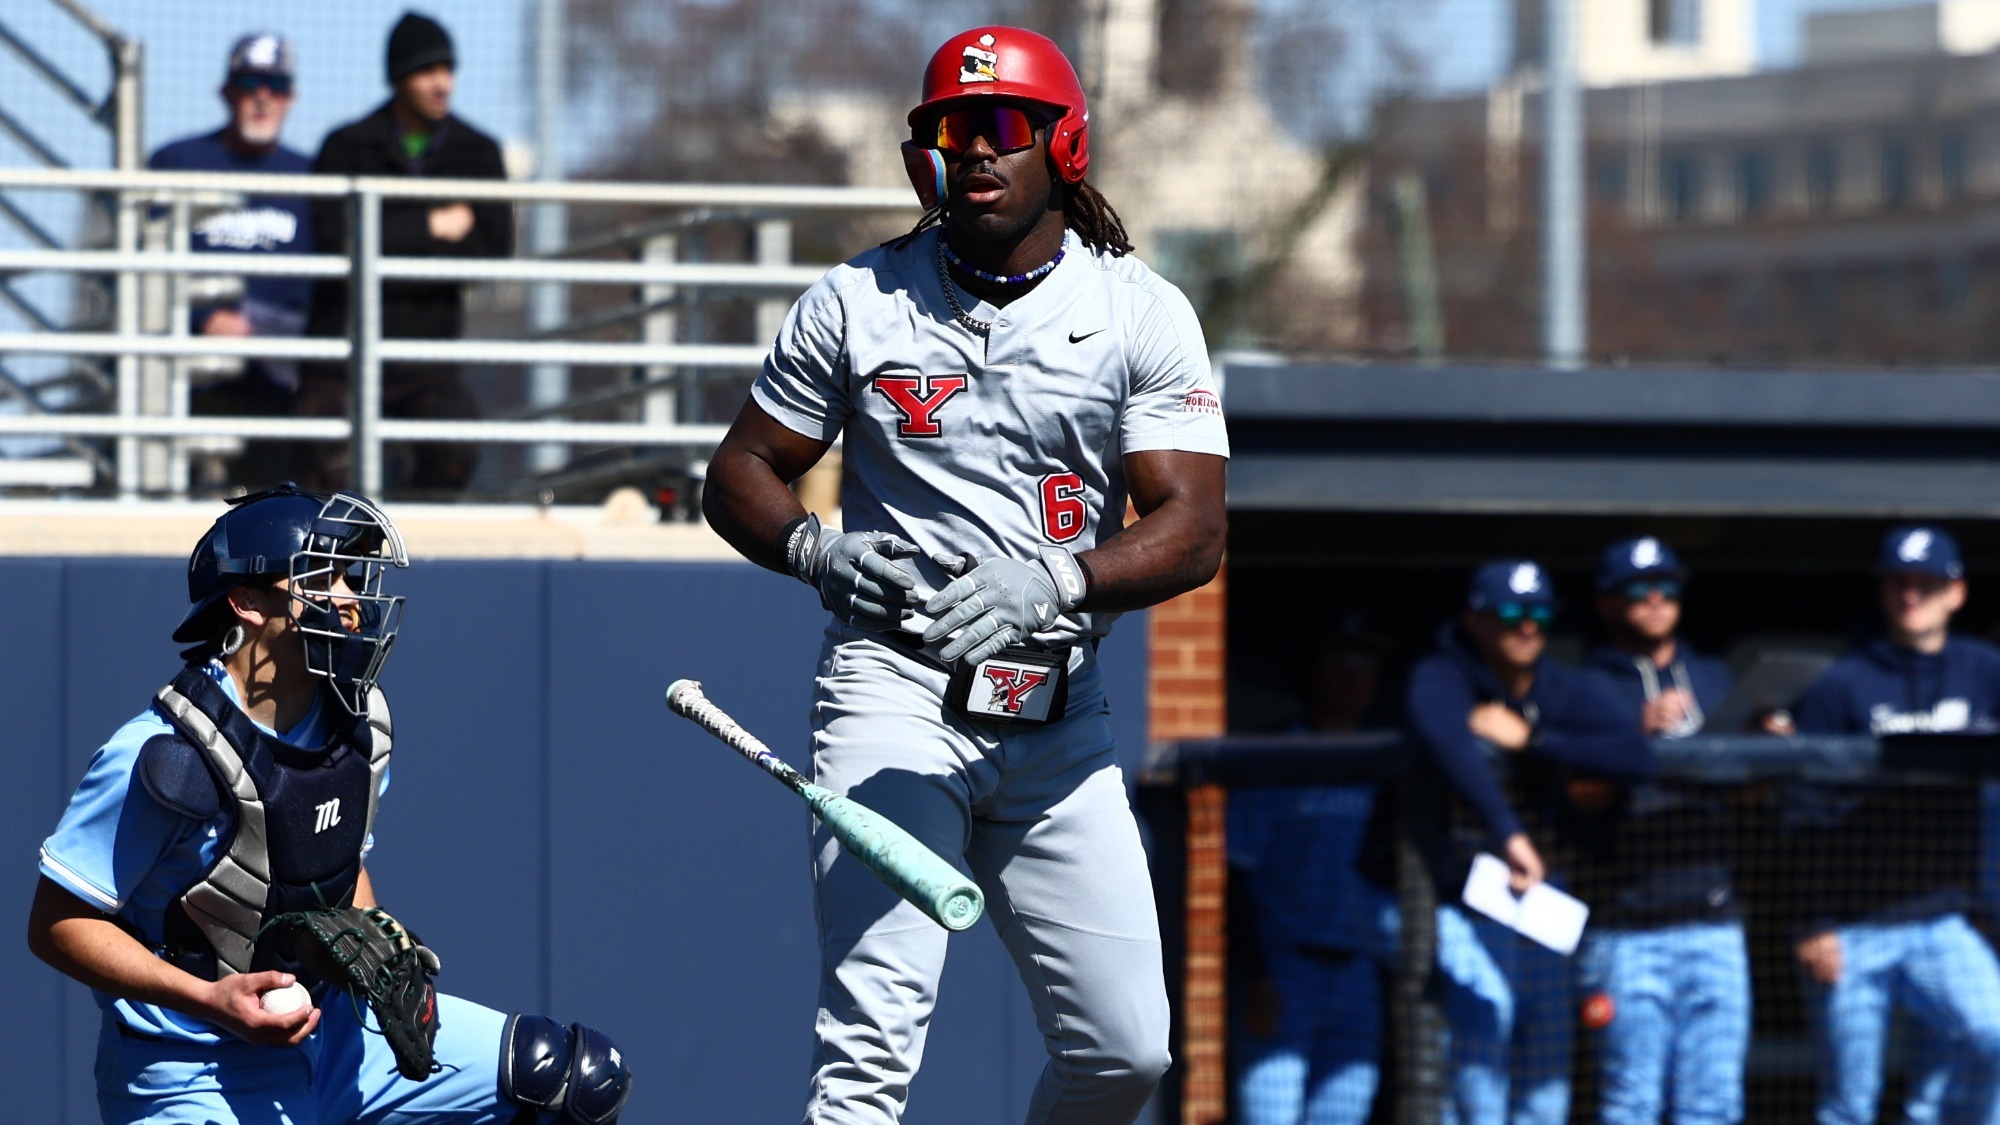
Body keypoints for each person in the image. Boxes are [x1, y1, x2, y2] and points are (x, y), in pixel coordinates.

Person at [701, 26, 1228, 1124]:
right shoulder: (857, 301)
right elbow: (740, 469)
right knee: (868, 1053)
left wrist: (1057, 584)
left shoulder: (1138, 309)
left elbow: (1193, 528)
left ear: (1062, 145)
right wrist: (816, 548)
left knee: (1125, 1054)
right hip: (892, 699)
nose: (974, 151)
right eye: (950, 130)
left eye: (999, 128)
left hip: (1057, 713)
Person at [27, 483, 631, 1124]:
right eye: (324, 576)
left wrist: (377, 950)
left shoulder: (359, 721)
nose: (349, 599)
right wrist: (209, 997)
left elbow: (332, 866)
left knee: (569, 1078)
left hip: (339, 1036)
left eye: (350, 576)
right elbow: (57, 926)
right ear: (247, 602)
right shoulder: (163, 754)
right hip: (193, 1062)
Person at [1405, 560, 1654, 1125]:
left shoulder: (1560, 686)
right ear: (1476, 619)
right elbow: (1446, 741)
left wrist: (1536, 741)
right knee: (1480, 1052)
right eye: (1511, 614)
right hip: (1461, 897)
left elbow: (1636, 755)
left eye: (1538, 615)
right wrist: (1509, 832)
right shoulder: (1445, 675)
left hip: (1542, 899)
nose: (1527, 627)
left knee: (1546, 1069)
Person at [1788, 524, 2000, 1125]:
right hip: (1854, 929)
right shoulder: (1842, 683)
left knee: (1993, 1033)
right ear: (1883, 592)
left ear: (1955, 593)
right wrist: (1812, 923)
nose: (1913, 596)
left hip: (1941, 919)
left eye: (1927, 584)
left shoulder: (1985, 672)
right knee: (1850, 1102)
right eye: (1900, 584)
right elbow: (1801, 811)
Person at [300, 11, 512, 497]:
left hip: (427, 361)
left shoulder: (477, 151)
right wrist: (431, 226)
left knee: (455, 447)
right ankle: (329, 560)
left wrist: (384, 238)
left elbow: (492, 247)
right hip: (343, 359)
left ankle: (409, 549)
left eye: (448, 69)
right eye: (426, 71)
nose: (442, 83)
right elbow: (335, 239)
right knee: (322, 448)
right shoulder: (347, 146)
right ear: (399, 78)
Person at [1576, 536, 1750, 1124]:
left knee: (1714, 1105)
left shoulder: (1713, 676)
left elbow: (1749, 791)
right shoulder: (1585, 687)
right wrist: (1635, 732)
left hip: (1713, 920)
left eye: (1667, 587)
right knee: (1631, 1104)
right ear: (1606, 602)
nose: (1656, 599)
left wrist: (1773, 747)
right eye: (1638, 589)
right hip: (1626, 929)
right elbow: (1575, 793)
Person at [1229, 634, 1400, 1125]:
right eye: (1338, 662)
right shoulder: (1277, 755)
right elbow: (1237, 874)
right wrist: (1256, 974)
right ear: (1313, 673)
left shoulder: (1387, 761)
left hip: (1359, 970)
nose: (1352, 677)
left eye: (1363, 663)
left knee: (1346, 1110)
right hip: (1285, 969)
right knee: (1270, 1115)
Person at [148, 33, 315, 487]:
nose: (262, 96)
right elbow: (144, 271)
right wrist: (203, 316)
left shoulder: (310, 176)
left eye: (275, 85)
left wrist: (261, 327)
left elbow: (318, 288)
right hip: (185, 372)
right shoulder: (176, 162)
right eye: (249, 82)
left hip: (273, 376)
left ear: (291, 97)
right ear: (227, 91)